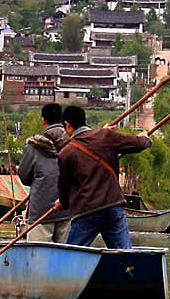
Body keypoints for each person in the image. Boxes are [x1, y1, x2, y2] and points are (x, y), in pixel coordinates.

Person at [56, 105, 152, 249]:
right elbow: (138, 143)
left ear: (67, 125)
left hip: (86, 211)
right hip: (112, 205)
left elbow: (64, 187)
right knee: (125, 255)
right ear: (84, 120)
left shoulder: (66, 153)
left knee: (73, 254)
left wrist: (62, 203)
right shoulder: (105, 136)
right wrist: (145, 139)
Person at [17, 103, 71, 242]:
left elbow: (24, 177)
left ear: (43, 121)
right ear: (63, 121)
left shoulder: (33, 147)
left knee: (39, 255)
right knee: (65, 255)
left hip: (41, 210)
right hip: (68, 208)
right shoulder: (74, 144)